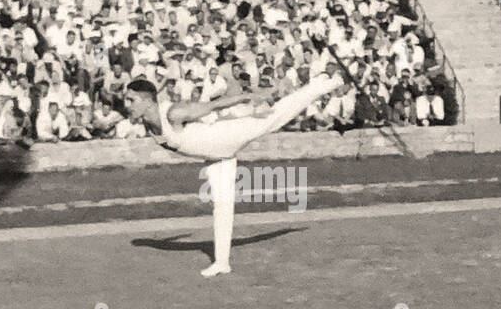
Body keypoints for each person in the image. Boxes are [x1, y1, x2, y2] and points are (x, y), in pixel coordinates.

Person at [124, 69, 344, 277]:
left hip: (224, 136)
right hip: (217, 156)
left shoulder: (173, 113)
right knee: (222, 204)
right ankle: (222, 263)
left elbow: (215, 104)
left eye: (131, 100)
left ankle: (326, 83)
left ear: (146, 100)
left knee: (273, 118)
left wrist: (247, 97)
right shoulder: (147, 122)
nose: (126, 105)